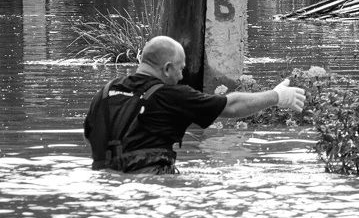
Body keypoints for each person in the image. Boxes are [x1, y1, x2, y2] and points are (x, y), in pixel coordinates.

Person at [84, 35, 306, 174]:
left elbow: (90, 135)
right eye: (181, 69)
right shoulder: (172, 95)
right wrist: (277, 96)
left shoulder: (104, 93)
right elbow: (231, 106)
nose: (182, 76)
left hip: (103, 181)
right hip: (151, 183)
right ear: (167, 68)